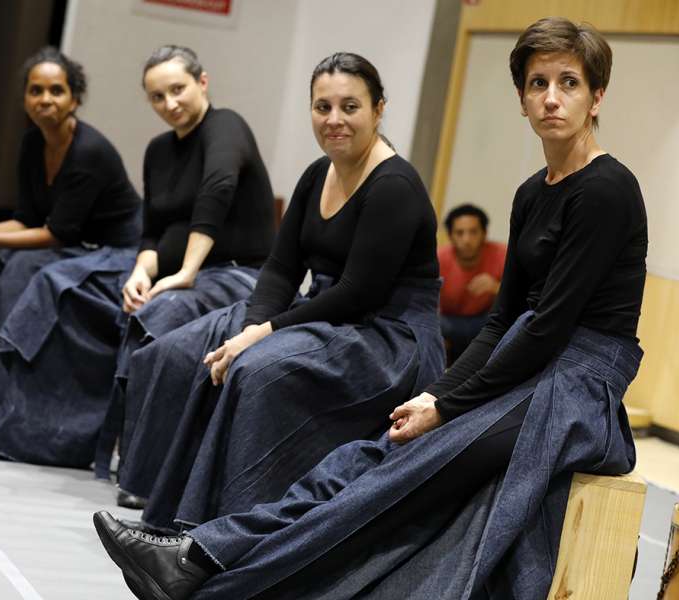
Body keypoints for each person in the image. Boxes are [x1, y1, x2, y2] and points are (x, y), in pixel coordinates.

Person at [93, 17, 649, 600]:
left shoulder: (607, 189)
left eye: (569, 83)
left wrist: (448, 404)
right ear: (521, 98)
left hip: (574, 388)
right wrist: (438, 396)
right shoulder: (533, 191)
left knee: (397, 474)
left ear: (596, 97)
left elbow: (550, 328)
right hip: (526, 367)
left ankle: (211, 571)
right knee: (369, 454)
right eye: (538, 84)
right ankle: (200, 551)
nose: (552, 98)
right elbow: (503, 320)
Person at [113, 51, 444, 533]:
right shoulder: (316, 175)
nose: (334, 120)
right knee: (190, 349)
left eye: (350, 107)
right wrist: (251, 326)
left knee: (256, 369)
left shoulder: (394, 185)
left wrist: (261, 335)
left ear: (378, 109)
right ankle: (173, 507)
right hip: (328, 314)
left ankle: (231, 531)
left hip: (389, 338)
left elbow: (358, 292)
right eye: (322, 107)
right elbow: (282, 268)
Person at [0, 45, 276, 469]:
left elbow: (218, 188)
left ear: (202, 82)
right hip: (170, 273)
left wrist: (185, 272)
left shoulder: (226, 126)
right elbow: (152, 232)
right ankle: (33, 434)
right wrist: (139, 273)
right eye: (157, 97)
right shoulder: (158, 150)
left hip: (232, 275)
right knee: (59, 288)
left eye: (178, 89)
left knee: (153, 314)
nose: (170, 104)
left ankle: (126, 454)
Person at [0, 47, 141, 430]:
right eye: (36, 91)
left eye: (56, 91)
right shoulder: (31, 145)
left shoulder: (89, 151)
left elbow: (56, 235)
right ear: (25, 98)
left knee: (20, 265)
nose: (45, 100)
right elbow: (26, 220)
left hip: (117, 252)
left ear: (74, 99)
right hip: (73, 243)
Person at [438, 203, 506, 363]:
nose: (467, 240)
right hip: (446, 322)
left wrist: (497, 287)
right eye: (460, 233)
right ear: (450, 235)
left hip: (483, 324)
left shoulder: (502, 254)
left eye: (473, 232)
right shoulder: (438, 260)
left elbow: (526, 293)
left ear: (484, 233)